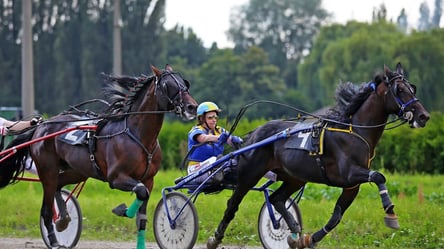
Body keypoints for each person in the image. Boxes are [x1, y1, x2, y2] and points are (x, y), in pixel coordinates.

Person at [187, 101, 242, 184]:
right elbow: (203, 138)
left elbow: (229, 139)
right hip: (196, 171)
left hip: (215, 168)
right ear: (202, 118)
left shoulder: (220, 130)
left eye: (215, 117)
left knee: (238, 161)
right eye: (210, 118)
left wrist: (237, 141)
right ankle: (218, 171)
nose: (214, 120)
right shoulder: (196, 130)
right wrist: (219, 138)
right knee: (215, 159)